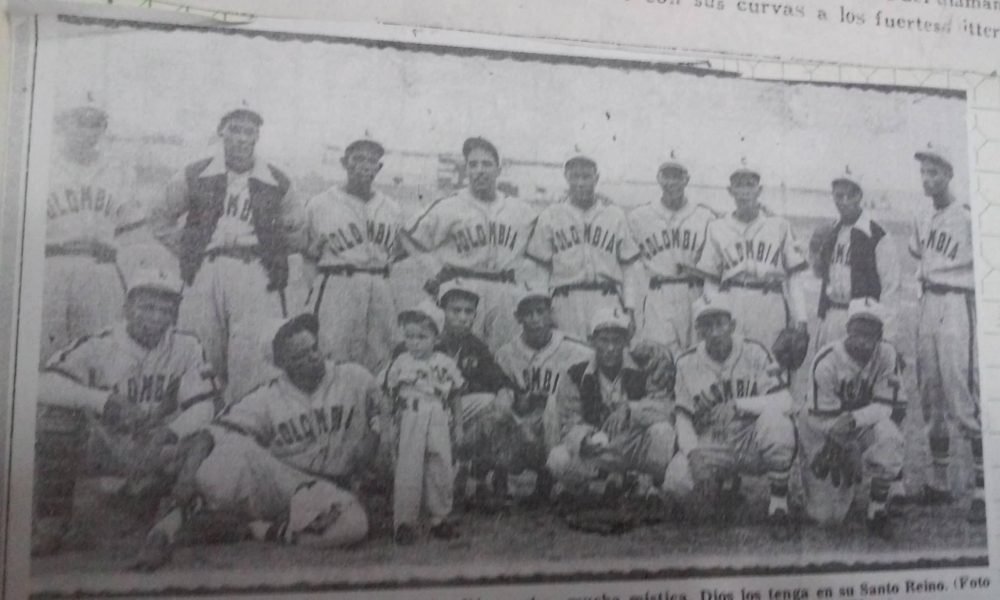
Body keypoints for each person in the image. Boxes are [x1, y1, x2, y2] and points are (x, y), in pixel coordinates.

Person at [133, 313, 376, 570]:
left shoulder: (355, 378)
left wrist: (371, 451)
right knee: (220, 459)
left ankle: (257, 529)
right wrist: (182, 488)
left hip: (333, 487)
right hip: (286, 480)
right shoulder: (268, 396)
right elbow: (208, 435)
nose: (313, 357)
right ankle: (178, 518)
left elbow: (382, 416)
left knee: (353, 527)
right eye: (300, 356)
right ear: (282, 364)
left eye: (313, 348)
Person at [33, 269, 218, 556]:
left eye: (165, 310)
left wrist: (170, 432)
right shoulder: (99, 344)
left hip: (158, 448)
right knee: (54, 418)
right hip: (106, 446)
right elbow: (41, 385)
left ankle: (163, 511)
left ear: (174, 314)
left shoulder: (187, 345)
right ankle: (51, 526)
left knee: (208, 438)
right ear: (127, 307)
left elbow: (205, 405)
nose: (156, 318)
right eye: (147, 307)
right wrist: (104, 401)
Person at [149, 104, 306, 403]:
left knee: (253, 355)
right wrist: (188, 248)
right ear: (222, 132)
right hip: (205, 269)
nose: (241, 138)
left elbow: (298, 233)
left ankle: (243, 428)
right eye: (234, 129)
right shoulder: (196, 173)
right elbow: (159, 217)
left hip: (253, 271)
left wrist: (272, 248)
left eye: (249, 131)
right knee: (201, 349)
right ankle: (196, 422)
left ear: (257, 136)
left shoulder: (276, 179)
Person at [400, 136, 542, 352]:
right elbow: (408, 235)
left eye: (486, 164)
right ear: (466, 170)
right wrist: (435, 272)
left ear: (499, 169)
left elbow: (543, 245)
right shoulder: (449, 205)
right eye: (473, 164)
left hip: (504, 290)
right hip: (462, 288)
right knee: (458, 352)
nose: (479, 170)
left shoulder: (521, 210)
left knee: (503, 353)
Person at [670, 295, 796, 538]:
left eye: (720, 323)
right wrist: (694, 455)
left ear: (733, 325)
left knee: (778, 424)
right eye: (707, 325)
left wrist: (738, 404)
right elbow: (683, 418)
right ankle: (722, 487)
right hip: (714, 441)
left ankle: (778, 505)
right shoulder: (686, 362)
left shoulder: (754, 351)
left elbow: (784, 401)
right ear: (698, 331)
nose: (715, 332)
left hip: (751, 440)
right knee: (677, 482)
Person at [908, 143, 983, 523]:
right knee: (930, 392)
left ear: (949, 175)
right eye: (923, 172)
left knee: (961, 391)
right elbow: (919, 257)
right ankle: (938, 482)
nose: (927, 179)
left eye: (934, 172)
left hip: (956, 303)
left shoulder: (968, 216)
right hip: (929, 305)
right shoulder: (921, 215)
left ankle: (985, 490)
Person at [41, 101, 143, 366]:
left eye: (95, 124)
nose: (88, 130)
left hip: (100, 266)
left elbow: (130, 229)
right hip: (51, 263)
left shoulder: (119, 169)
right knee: (46, 348)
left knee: (101, 346)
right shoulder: (41, 163)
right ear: (63, 124)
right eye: (80, 121)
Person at [798, 298, 904, 538]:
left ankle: (877, 509)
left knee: (890, 436)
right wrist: (844, 447)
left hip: (858, 425)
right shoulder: (826, 360)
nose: (864, 341)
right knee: (827, 518)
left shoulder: (887, 354)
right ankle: (835, 487)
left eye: (871, 334)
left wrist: (855, 428)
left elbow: (887, 407)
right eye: (858, 333)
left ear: (880, 335)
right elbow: (819, 417)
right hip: (822, 427)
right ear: (847, 331)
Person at [546, 307, 674, 502]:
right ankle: (585, 487)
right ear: (592, 341)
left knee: (663, 431)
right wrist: (583, 439)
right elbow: (569, 421)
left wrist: (631, 409)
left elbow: (665, 407)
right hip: (600, 446)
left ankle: (652, 485)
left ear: (626, 342)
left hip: (634, 443)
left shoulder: (644, 367)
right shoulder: (576, 375)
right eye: (604, 340)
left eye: (616, 340)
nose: (611, 348)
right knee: (558, 459)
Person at [302, 137, 404, 375]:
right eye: (358, 158)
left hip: (379, 284)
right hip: (338, 283)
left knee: (381, 354)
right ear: (344, 163)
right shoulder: (320, 204)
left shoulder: (392, 208)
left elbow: (398, 251)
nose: (365, 165)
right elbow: (308, 255)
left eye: (372, 160)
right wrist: (313, 290)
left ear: (379, 168)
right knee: (332, 352)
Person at [493, 284, 594, 501]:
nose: (535, 318)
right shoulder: (506, 353)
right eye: (528, 313)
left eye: (541, 311)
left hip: (560, 425)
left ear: (551, 313)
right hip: (522, 427)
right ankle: (499, 477)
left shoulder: (577, 350)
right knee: (498, 407)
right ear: (518, 317)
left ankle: (552, 478)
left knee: (552, 404)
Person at [525, 155, 642, 339]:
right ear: (566, 177)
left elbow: (628, 269)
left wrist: (630, 309)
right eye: (575, 176)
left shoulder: (615, 215)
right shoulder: (551, 215)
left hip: (606, 297)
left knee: (607, 357)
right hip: (565, 300)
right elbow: (541, 271)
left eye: (586, 176)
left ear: (596, 178)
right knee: (568, 358)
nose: (580, 183)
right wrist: (542, 309)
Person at [693, 163, 809, 348]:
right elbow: (711, 280)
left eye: (750, 185)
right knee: (735, 361)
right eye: (739, 185)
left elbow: (794, 278)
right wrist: (713, 315)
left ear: (759, 190)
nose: (744, 191)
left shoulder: (779, 226)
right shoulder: (717, 227)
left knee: (771, 361)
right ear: (730, 191)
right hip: (732, 300)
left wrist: (801, 318)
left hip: (770, 301)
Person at [382, 301, 464, 544]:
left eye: (422, 336)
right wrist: (387, 427)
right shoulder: (400, 362)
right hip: (410, 415)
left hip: (438, 414)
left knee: (440, 466)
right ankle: (405, 523)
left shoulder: (446, 363)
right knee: (408, 469)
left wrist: (458, 425)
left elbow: (456, 394)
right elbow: (388, 395)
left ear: (436, 337)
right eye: (409, 336)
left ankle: (440, 518)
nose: (414, 342)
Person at [627, 156, 717, 349]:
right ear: (658, 179)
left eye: (677, 176)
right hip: (658, 294)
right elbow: (629, 267)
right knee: (661, 357)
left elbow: (713, 267)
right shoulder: (639, 217)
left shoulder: (705, 217)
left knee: (696, 356)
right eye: (667, 176)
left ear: (687, 179)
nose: (672, 182)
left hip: (694, 294)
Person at [811, 167, 900, 350]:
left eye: (849, 196)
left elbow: (890, 289)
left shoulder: (876, 235)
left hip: (861, 321)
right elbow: (820, 273)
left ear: (859, 196)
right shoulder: (831, 232)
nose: (844, 202)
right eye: (838, 196)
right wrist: (814, 250)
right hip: (831, 313)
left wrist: (888, 339)